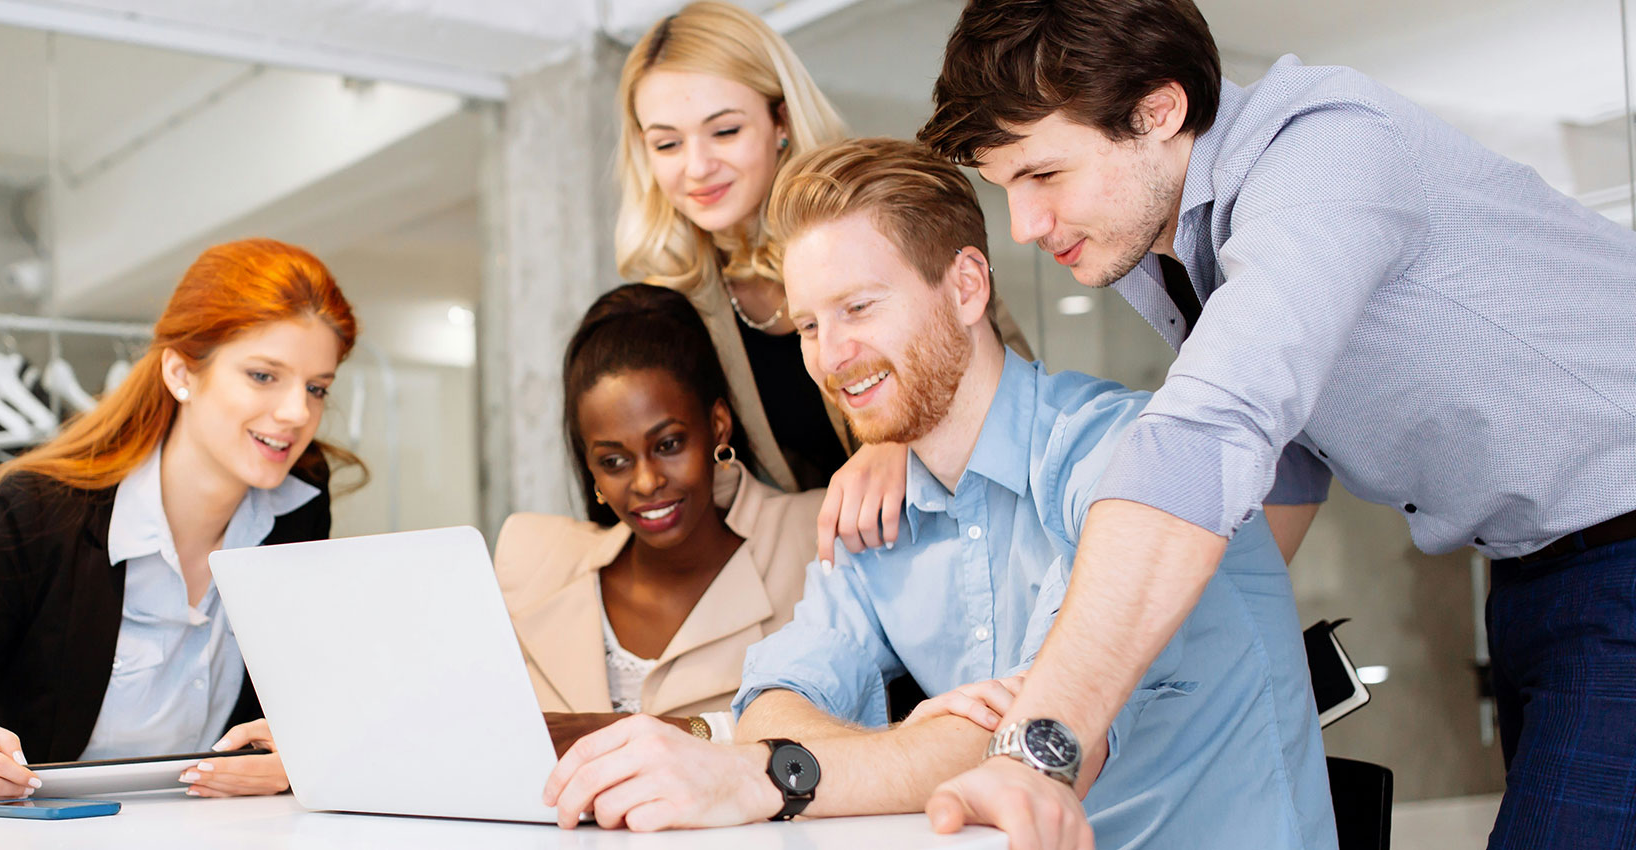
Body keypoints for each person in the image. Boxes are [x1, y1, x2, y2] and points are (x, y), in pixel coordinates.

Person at [913, 2, 1636, 847]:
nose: (1025, 227)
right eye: (1006, 189)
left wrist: (1041, 747)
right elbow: (1274, 479)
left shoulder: (1324, 154)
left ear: (1158, 110)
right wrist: (1084, 686)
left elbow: (1205, 437)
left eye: (1043, 176)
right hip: (1531, 573)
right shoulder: (1176, 247)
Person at [538, 138, 1334, 849]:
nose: (833, 357)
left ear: (965, 287)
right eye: (810, 326)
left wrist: (767, 776)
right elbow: (772, 701)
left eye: (859, 307)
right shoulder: (873, 513)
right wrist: (891, 746)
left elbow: (1035, 738)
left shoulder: (1122, 463)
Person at [0, 238, 363, 811]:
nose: (296, 413)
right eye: (264, 376)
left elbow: (300, 706)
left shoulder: (300, 502)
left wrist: (291, 759)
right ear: (181, 372)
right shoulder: (39, 512)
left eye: (317, 388)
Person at [615, 1, 1033, 564]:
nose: (696, 167)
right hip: (854, 582)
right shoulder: (683, 303)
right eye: (667, 143)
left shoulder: (873, 217)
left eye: (725, 130)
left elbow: (1011, 392)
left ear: (780, 121)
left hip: (989, 546)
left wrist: (900, 440)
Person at [494, 284, 823, 754]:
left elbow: (845, 725)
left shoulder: (809, 537)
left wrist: (671, 731)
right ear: (590, 467)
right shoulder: (531, 558)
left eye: (668, 445)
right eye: (614, 461)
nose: (646, 482)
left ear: (718, 425)